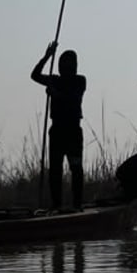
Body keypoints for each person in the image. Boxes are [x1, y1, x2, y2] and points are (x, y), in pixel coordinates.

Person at [31, 42, 86, 211]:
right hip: (57, 132)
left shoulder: (79, 81)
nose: (67, 68)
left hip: (73, 131)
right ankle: (57, 205)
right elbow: (35, 75)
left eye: (70, 64)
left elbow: (74, 99)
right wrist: (47, 55)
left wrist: (55, 94)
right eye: (64, 64)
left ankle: (77, 204)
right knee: (55, 170)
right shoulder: (54, 80)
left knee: (76, 168)